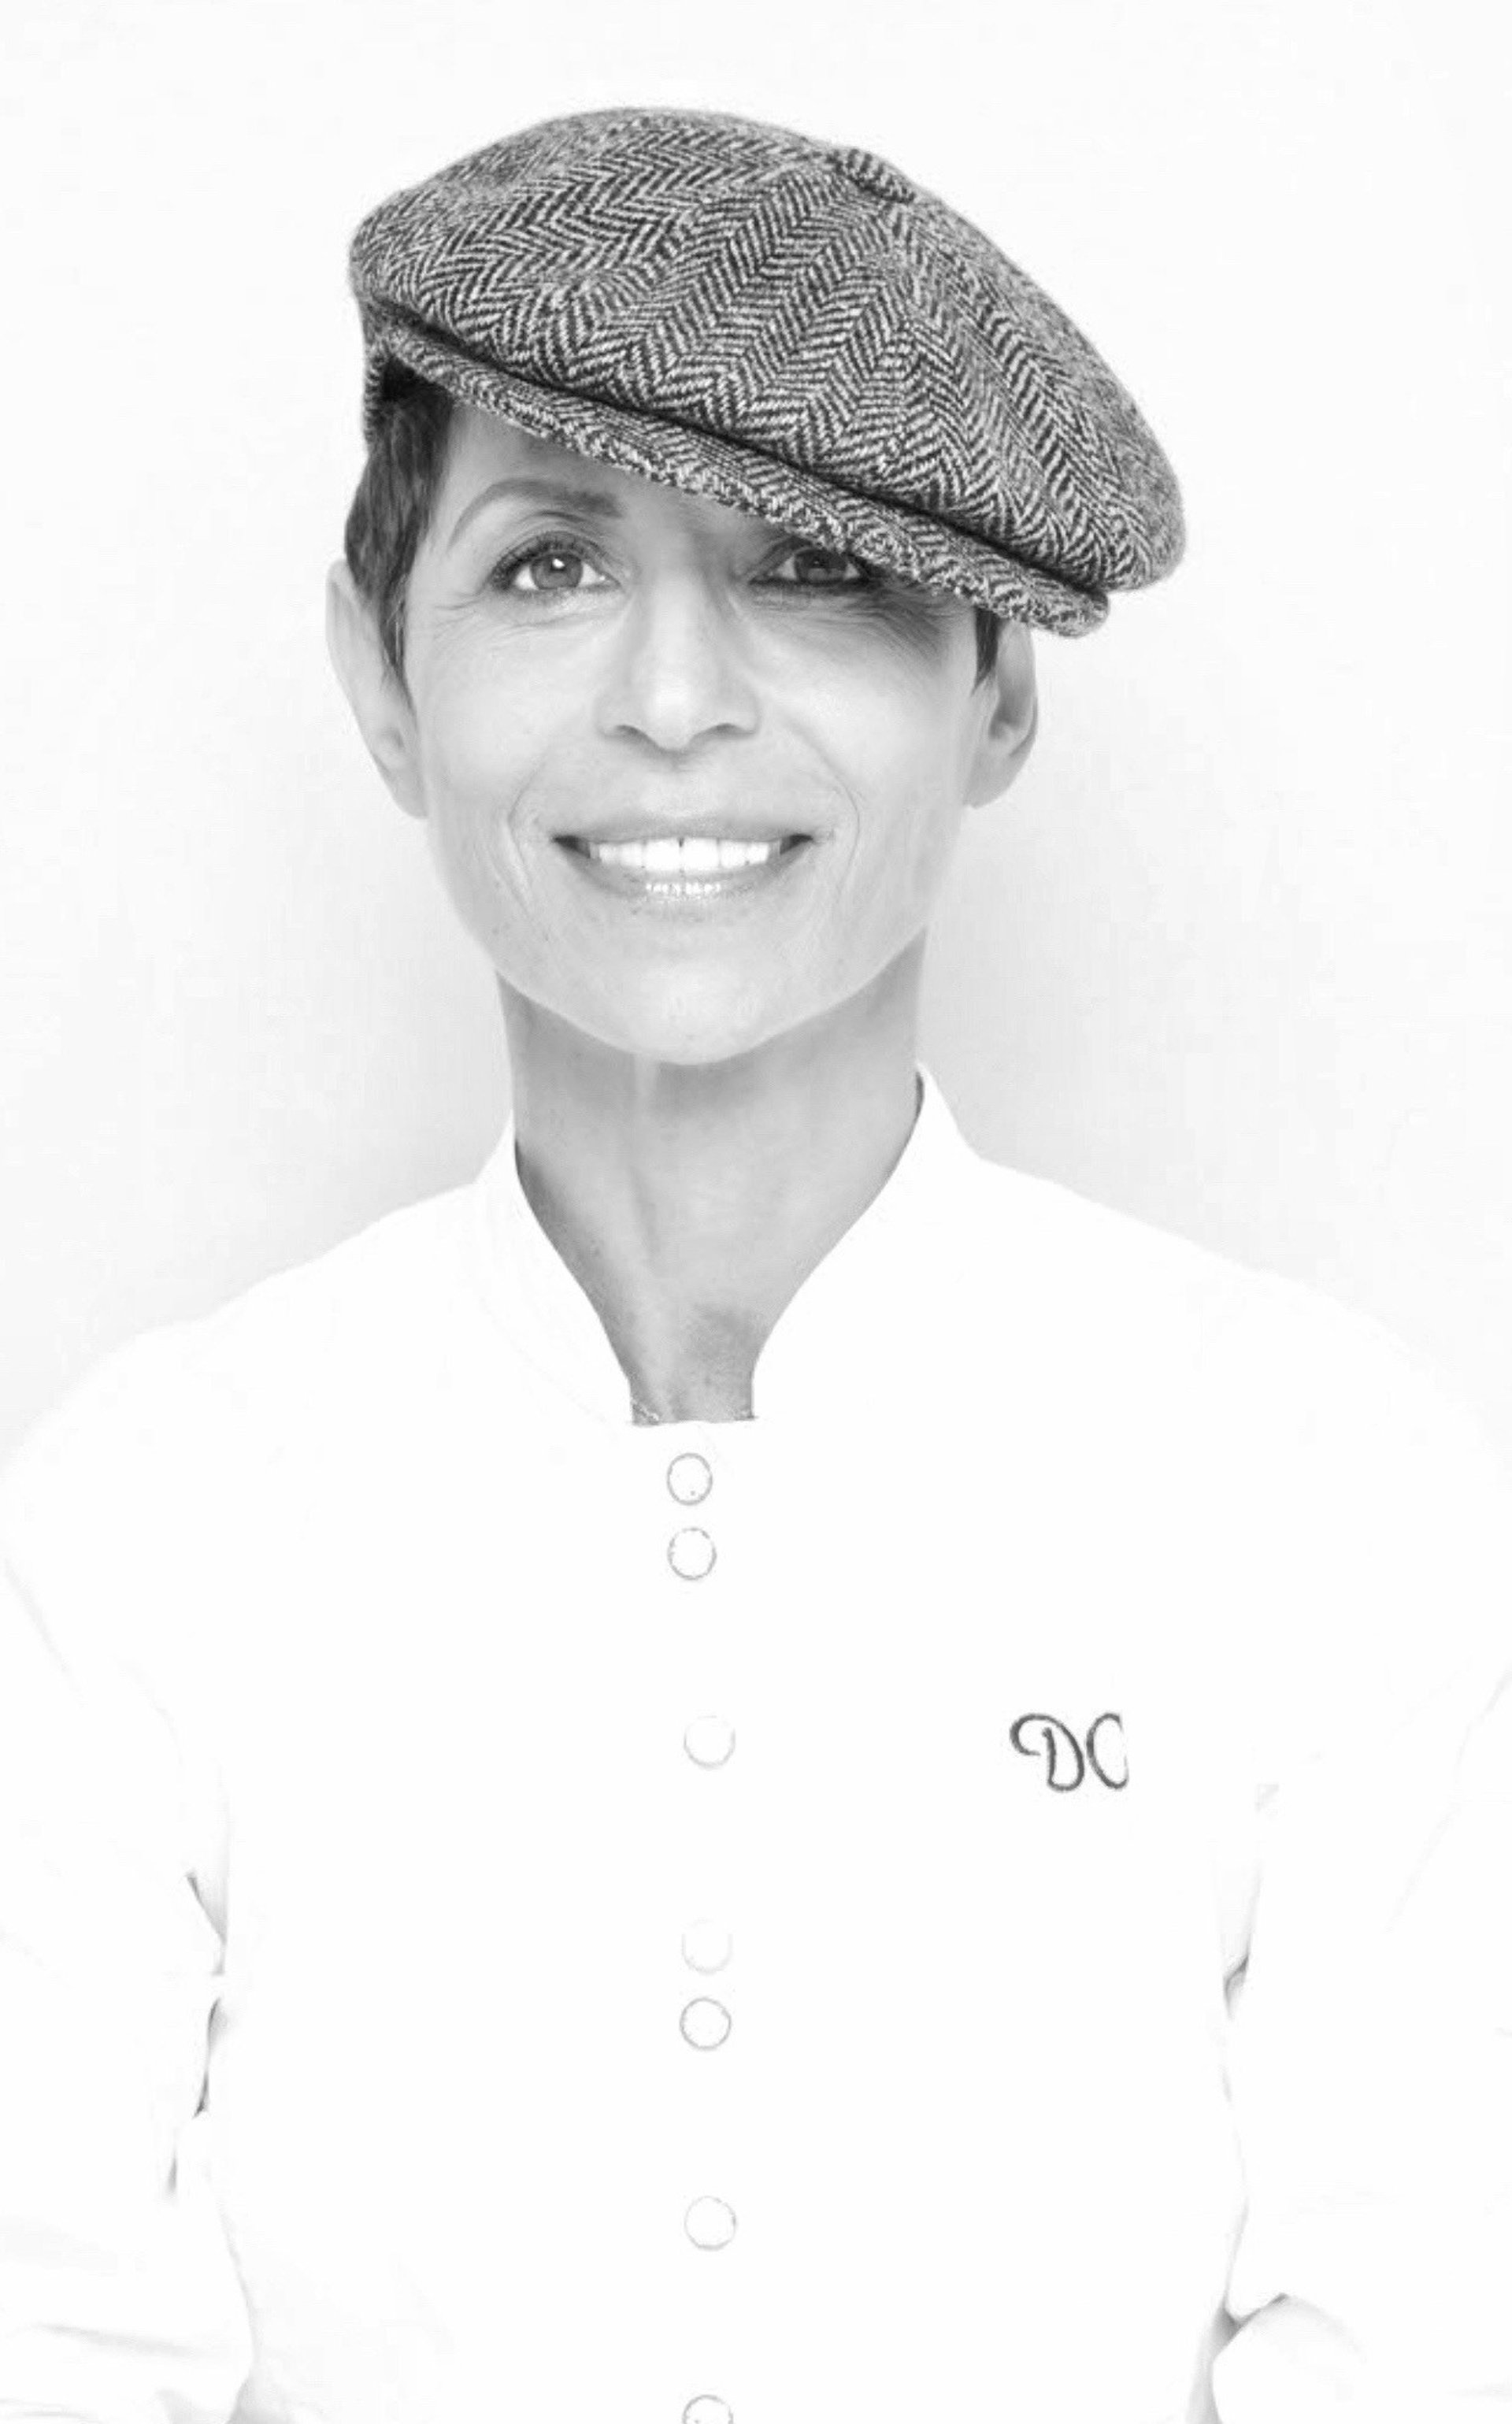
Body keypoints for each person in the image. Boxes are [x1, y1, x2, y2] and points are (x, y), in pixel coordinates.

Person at [1, 102, 1509, 2424]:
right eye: (546, 566)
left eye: (814, 567)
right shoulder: (148, 1518)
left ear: (997, 694)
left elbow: (1428, 2348)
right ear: (382, 678)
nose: (678, 700)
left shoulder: (1328, 1493)